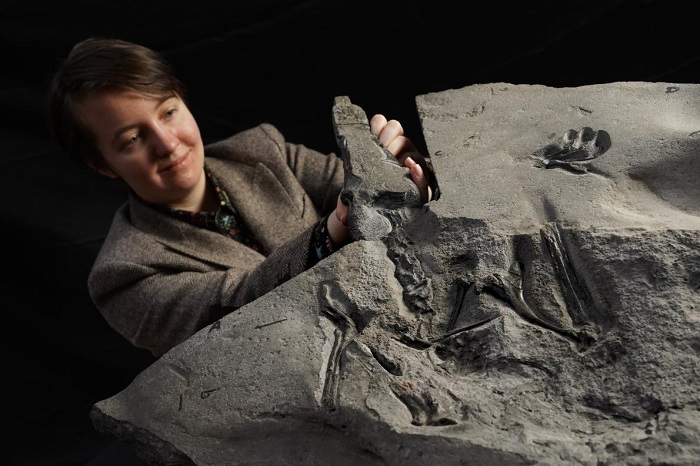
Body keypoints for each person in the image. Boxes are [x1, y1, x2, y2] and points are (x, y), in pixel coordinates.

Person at [47, 37, 433, 357]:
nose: (167, 143)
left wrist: (407, 173)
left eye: (168, 113)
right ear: (103, 165)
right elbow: (240, 306)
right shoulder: (122, 276)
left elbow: (358, 184)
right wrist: (336, 225)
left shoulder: (260, 150)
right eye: (133, 138)